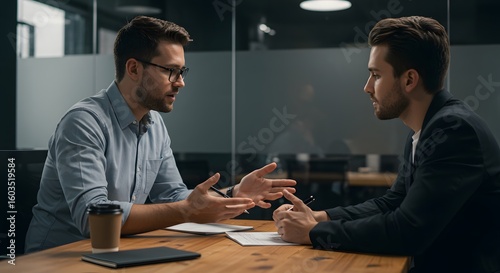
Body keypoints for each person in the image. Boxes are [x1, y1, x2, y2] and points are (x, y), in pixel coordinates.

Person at [25, 16, 296, 253]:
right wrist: (187, 210)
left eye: (182, 71)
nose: (181, 82)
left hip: (118, 252)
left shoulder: (154, 125)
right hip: (58, 257)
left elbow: (173, 197)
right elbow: (92, 218)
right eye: (171, 71)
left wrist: (234, 193)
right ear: (133, 69)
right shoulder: (84, 122)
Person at [273, 16, 500, 273]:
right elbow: (392, 202)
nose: (367, 87)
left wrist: (314, 232)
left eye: (376, 75)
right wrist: (320, 217)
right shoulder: (428, 128)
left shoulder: (453, 130)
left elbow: (407, 230)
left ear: (409, 80)